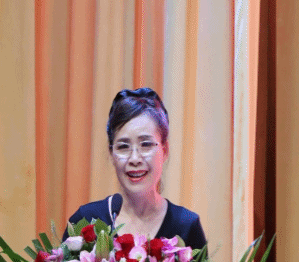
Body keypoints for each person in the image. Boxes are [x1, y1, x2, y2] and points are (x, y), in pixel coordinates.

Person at [62, 87, 207, 250]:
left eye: (146, 144)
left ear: (165, 150)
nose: (135, 159)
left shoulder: (186, 226)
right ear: (111, 153)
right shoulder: (87, 222)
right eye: (123, 147)